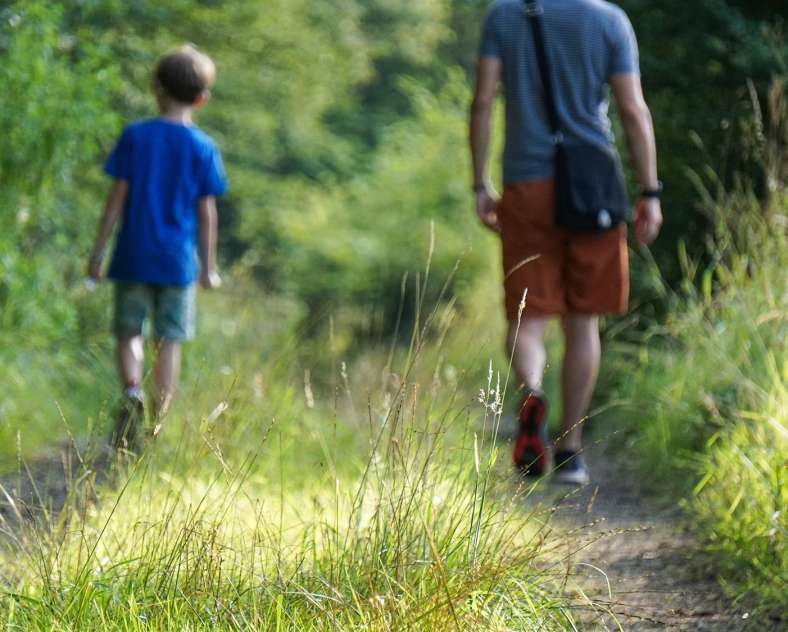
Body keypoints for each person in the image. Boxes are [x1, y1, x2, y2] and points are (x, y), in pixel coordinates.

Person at [469, 0, 662, 484]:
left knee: (527, 317)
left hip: (526, 184)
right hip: (592, 185)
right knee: (583, 320)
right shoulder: (609, 20)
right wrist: (650, 191)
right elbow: (632, 108)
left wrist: (479, 183)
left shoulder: (505, 16)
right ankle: (570, 452)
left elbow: (483, 99)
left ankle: (531, 391)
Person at [87, 45, 227, 452]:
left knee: (129, 331)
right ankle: (156, 426)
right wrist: (209, 267)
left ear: (156, 88)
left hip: (132, 255)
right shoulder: (203, 148)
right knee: (169, 341)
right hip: (178, 264)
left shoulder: (136, 137)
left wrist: (97, 254)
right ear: (201, 99)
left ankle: (132, 389)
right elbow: (207, 215)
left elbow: (115, 201)